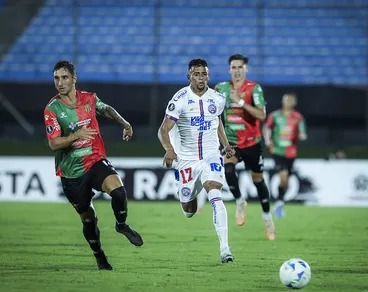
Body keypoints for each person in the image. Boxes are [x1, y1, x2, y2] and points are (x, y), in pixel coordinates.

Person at [44, 60, 143, 270]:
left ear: (73, 79)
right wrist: (77, 134)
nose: (60, 82)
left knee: (118, 192)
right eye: (56, 78)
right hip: (72, 173)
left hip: (95, 159)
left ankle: (121, 225)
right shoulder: (52, 109)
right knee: (89, 219)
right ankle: (100, 257)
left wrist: (125, 124)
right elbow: (54, 143)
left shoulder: (89, 99)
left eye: (64, 77)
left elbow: (106, 110)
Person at [158, 58, 236, 263]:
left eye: (204, 74)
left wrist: (225, 145)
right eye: (196, 74)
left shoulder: (218, 99)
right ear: (189, 76)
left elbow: (217, 121)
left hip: (211, 155)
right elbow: (163, 129)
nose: (200, 78)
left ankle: (225, 249)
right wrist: (169, 150)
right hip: (186, 160)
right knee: (189, 211)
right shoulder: (180, 99)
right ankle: (189, 191)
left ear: (208, 76)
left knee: (215, 193)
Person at [215, 54, 275, 240]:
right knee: (228, 169)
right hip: (231, 142)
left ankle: (267, 217)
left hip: (251, 143)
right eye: (234, 67)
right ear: (229, 69)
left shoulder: (253, 89)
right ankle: (240, 201)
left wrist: (240, 102)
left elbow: (262, 115)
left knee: (258, 179)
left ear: (246, 69)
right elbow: (215, 115)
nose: (237, 70)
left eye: (240, 67)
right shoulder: (220, 88)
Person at [263, 93, 307, 218]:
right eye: (286, 100)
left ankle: (279, 203)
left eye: (291, 100)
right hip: (278, 152)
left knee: (286, 182)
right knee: (283, 177)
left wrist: (302, 135)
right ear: (283, 101)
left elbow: (302, 132)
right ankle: (279, 203)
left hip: (291, 153)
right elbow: (266, 128)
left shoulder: (298, 117)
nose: (288, 102)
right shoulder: (275, 115)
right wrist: (268, 140)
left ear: (294, 102)